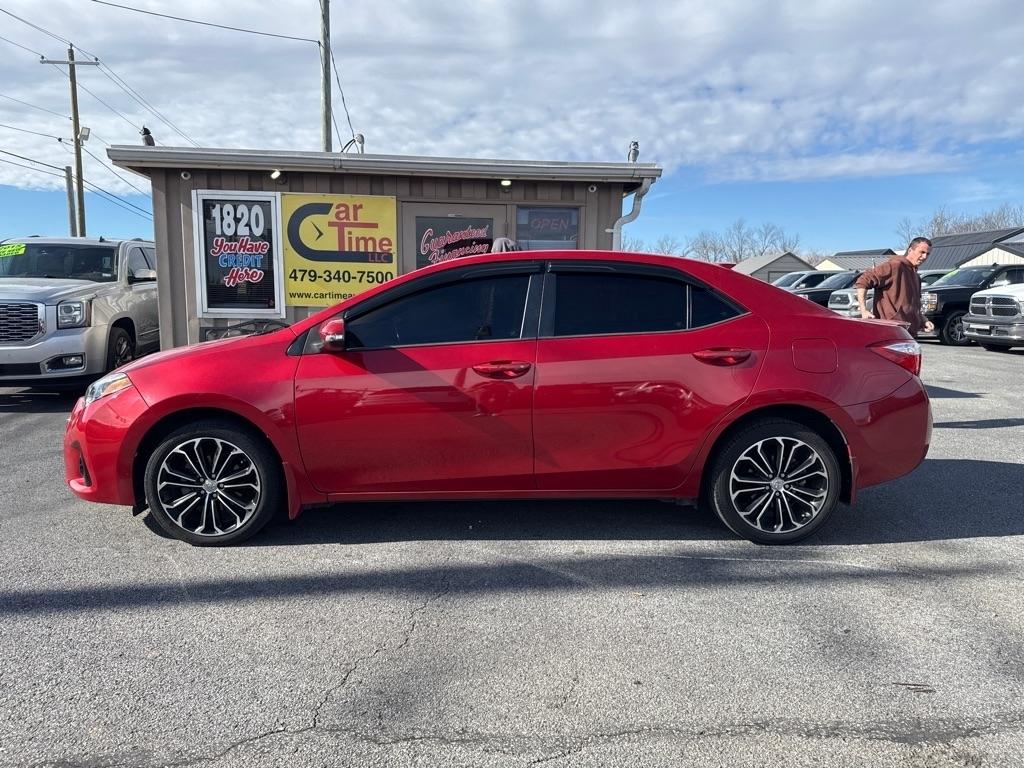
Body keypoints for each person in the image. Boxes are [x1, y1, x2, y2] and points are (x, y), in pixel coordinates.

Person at [855, 237, 935, 336]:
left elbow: (913, 306)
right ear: (910, 250)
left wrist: (923, 320)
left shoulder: (916, 276)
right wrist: (864, 310)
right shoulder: (894, 266)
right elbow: (863, 281)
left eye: (927, 254)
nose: (924, 257)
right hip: (889, 332)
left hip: (908, 333)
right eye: (921, 252)